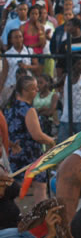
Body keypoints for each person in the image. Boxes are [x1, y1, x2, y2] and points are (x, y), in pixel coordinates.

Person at [5, 75, 55, 203]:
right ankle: (41, 217)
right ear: (25, 91)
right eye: (34, 89)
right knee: (40, 187)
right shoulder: (28, 110)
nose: (37, 91)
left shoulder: (10, 108)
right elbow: (37, 135)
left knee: (18, 187)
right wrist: (51, 140)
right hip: (30, 154)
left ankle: (17, 214)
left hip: (15, 151)